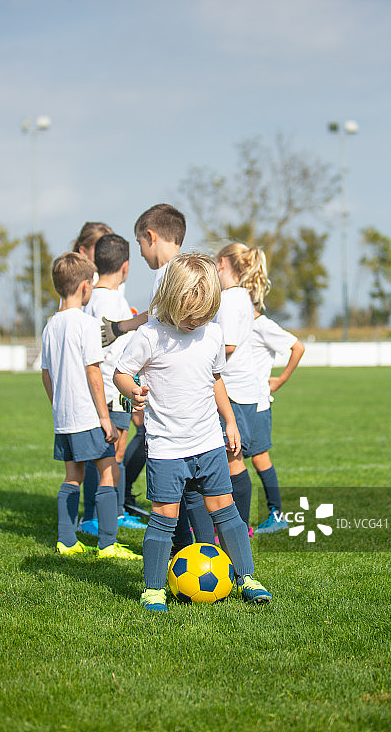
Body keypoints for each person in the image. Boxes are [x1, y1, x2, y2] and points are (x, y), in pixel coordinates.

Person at [113, 253, 272, 612]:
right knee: (164, 517)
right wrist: (132, 390)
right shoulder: (150, 336)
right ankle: (154, 588)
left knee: (226, 510)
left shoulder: (212, 334)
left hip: (209, 443)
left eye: (203, 314)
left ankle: (246, 577)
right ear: (170, 299)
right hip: (167, 447)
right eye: (190, 314)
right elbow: (121, 372)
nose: (196, 321)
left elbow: (215, 380)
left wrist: (229, 421)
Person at [105, 203, 215, 549]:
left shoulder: (168, 275)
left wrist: (119, 327)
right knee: (191, 488)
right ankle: (194, 549)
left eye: (139, 244)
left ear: (151, 236)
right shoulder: (193, 271)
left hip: (169, 394)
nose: (140, 253)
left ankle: (187, 546)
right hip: (188, 396)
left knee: (178, 482)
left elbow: (153, 320)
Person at [41, 251, 142, 561]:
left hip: (65, 418)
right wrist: (105, 418)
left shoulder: (50, 326)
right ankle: (108, 543)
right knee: (109, 470)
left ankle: (67, 540)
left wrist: (57, 405)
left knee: (73, 476)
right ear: (86, 286)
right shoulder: (85, 324)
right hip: (89, 416)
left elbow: (46, 374)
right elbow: (93, 372)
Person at [78, 233, 147, 535]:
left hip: (103, 388)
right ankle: (101, 516)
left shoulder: (92, 297)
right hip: (110, 388)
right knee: (109, 455)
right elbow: (114, 346)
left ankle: (106, 513)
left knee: (106, 455)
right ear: (126, 267)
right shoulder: (112, 301)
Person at [214, 242, 265, 530]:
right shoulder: (241, 297)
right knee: (233, 460)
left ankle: (237, 528)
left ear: (222, 263)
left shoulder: (231, 299)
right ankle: (236, 527)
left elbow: (228, 345)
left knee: (232, 462)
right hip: (242, 389)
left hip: (233, 391)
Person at [250, 285, 305, 533]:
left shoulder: (263, 325)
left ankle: (277, 514)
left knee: (259, 458)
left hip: (257, 404)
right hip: (236, 403)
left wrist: (281, 379)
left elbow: (298, 347)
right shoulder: (234, 325)